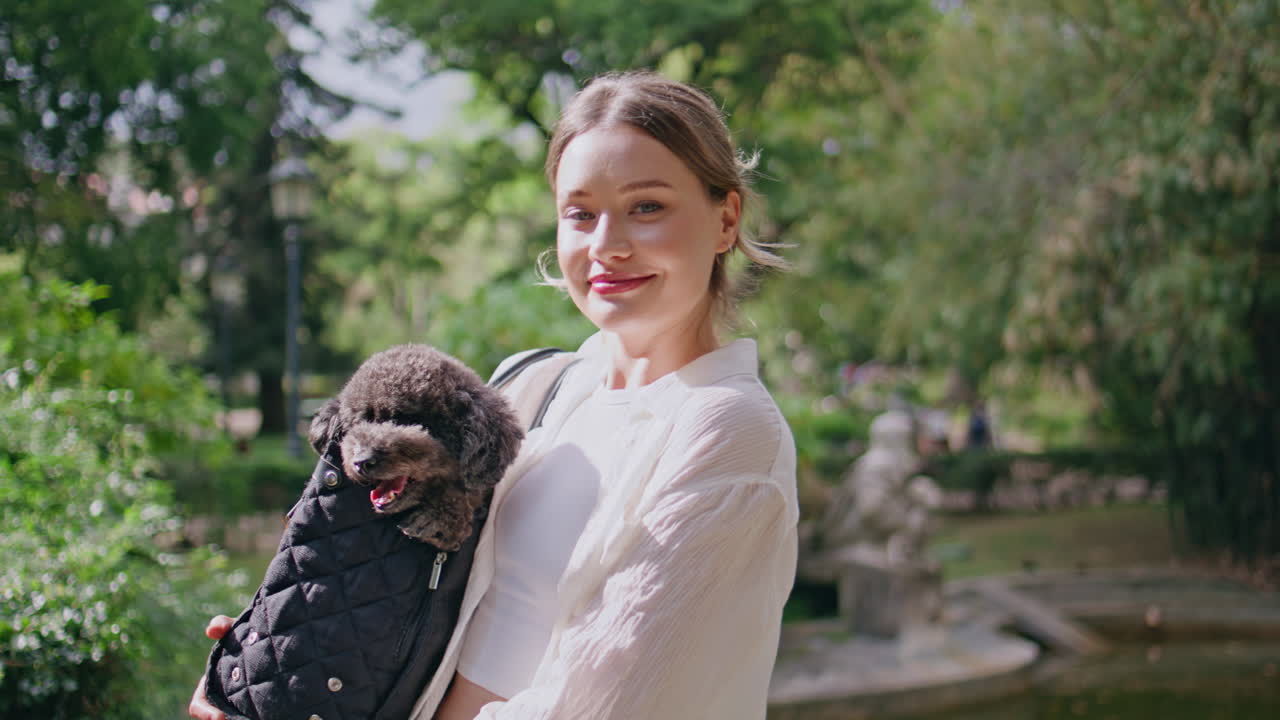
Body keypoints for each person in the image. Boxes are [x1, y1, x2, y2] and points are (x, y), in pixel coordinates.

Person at [190, 69, 798, 720]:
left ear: (726, 218)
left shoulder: (728, 430)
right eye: (580, 214)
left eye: (646, 207)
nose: (606, 246)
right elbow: (418, 603)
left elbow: (608, 702)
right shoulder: (537, 387)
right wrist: (276, 658)